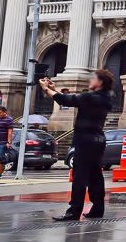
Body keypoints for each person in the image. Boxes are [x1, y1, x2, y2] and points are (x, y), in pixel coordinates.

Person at [40, 70, 114, 221]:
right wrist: (55, 90)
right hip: (98, 140)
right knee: (95, 176)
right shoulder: (105, 99)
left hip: (85, 140)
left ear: (100, 82)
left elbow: (65, 100)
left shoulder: (90, 97)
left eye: (93, 78)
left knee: (80, 177)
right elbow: (70, 98)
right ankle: (97, 209)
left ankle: (74, 211)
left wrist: (46, 89)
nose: (90, 80)